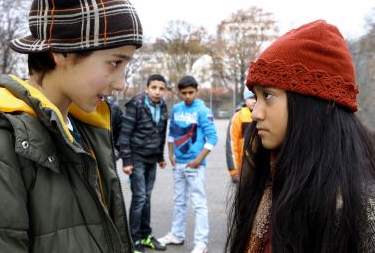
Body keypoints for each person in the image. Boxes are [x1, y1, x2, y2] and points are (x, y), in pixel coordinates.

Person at [0, 0, 143, 252]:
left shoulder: (87, 129)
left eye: (127, 65)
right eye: (114, 62)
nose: (121, 84)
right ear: (63, 51)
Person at [225, 20, 375, 253]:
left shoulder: (357, 205)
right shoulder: (268, 176)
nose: (255, 112)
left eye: (268, 95)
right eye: (256, 96)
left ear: (313, 104)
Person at [158, 76, 218, 253]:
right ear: (179, 92)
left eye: (191, 92)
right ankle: (177, 234)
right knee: (179, 201)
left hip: (195, 165)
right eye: (183, 93)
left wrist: (198, 160)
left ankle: (201, 242)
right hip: (178, 164)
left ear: (197, 90)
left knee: (199, 203)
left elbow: (213, 137)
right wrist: (170, 154)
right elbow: (172, 132)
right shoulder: (176, 109)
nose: (187, 96)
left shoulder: (203, 110)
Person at [119, 74, 168, 253]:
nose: (157, 91)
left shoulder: (163, 106)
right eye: (154, 87)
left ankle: (146, 235)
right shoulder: (136, 105)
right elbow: (125, 134)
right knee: (140, 198)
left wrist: (161, 157)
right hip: (137, 158)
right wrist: (127, 161)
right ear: (147, 88)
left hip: (152, 159)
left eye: (161, 88)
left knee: (147, 198)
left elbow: (161, 133)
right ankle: (134, 239)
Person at [225, 86, 256, 183]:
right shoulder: (238, 117)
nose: (254, 101)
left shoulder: (266, 115)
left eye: (256, 97)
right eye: (251, 98)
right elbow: (231, 144)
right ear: (245, 98)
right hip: (243, 169)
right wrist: (234, 171)